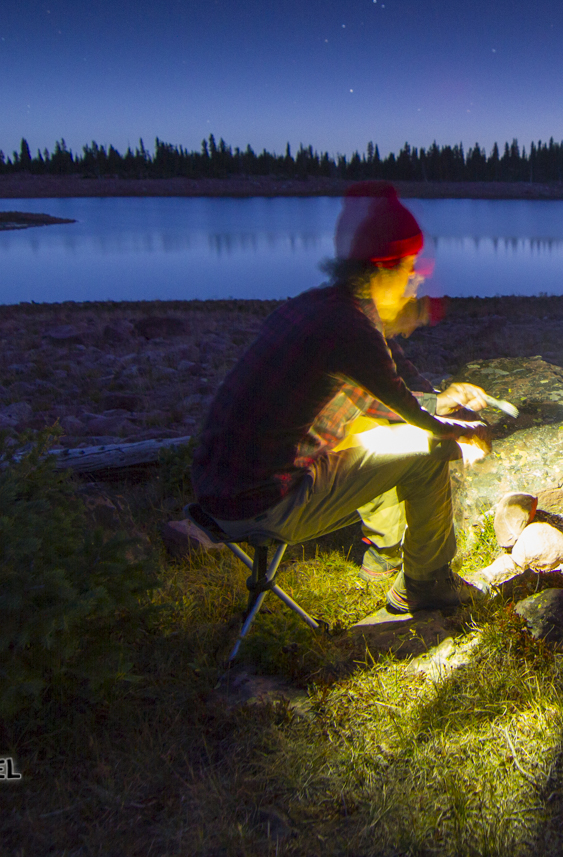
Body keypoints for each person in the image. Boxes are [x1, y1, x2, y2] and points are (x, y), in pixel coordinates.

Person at [190, 181, 490, 613]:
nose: (417, 280)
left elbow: (386, 390)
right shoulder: (351, 330)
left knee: (372, 435)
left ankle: (381, 556)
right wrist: (466, 431)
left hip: (212, 487)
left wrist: (435, 401)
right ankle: (424, 585)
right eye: (411, 269)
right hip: (263, 505)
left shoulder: (315, 306)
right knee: (428, 452)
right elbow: (410, 415)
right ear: (384, 268)